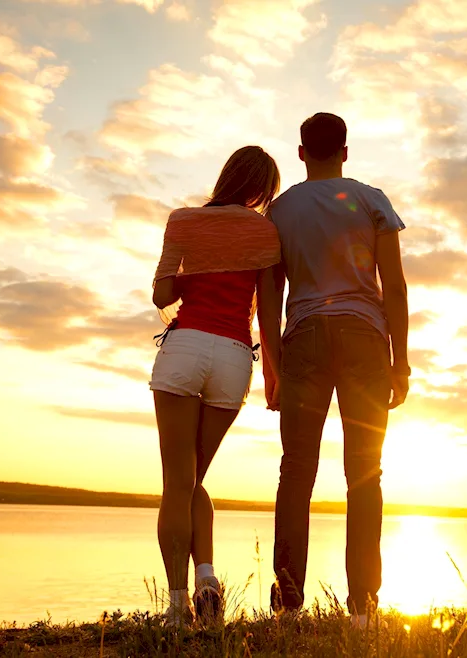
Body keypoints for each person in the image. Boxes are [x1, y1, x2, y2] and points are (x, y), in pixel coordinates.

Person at [258, 112, 411, 626]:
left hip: (303, 338)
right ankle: (364, 610)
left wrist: (273, 367)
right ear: (346, 150)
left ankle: (287, 607)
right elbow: (395, 285)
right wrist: (401, 362)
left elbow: (269, 295)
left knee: (296, 472)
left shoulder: (278, 211)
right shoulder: (371, 200)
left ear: (301, 153)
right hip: (366, 339)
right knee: (364, 475)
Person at [149, 146, 282, 627]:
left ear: (226, 176)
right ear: (263, 190)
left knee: (176, 485)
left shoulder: (183, 220)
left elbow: (162, 293)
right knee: (193, 481)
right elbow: (268, 311)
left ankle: (179, 608)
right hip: (232, 357)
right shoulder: (266, 231)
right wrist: (274, 376)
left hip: (184, 350)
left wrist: (194, 275)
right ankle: (206, 578)